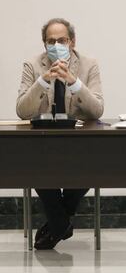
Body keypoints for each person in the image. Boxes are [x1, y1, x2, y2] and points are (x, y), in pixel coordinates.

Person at [16, 18, 104, 250]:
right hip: (44, 145)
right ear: (45, 45)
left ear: (72, 42)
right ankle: (60, 223)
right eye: (51, 41)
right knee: (37, 167)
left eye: (62, 40)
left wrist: (73, 82)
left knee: (88, 169)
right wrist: (43, 81)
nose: (57, 45)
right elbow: (22, 111)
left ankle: (57, 225)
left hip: (80, 145)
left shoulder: (88, 64)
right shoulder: (33, 65)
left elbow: (97, 110)